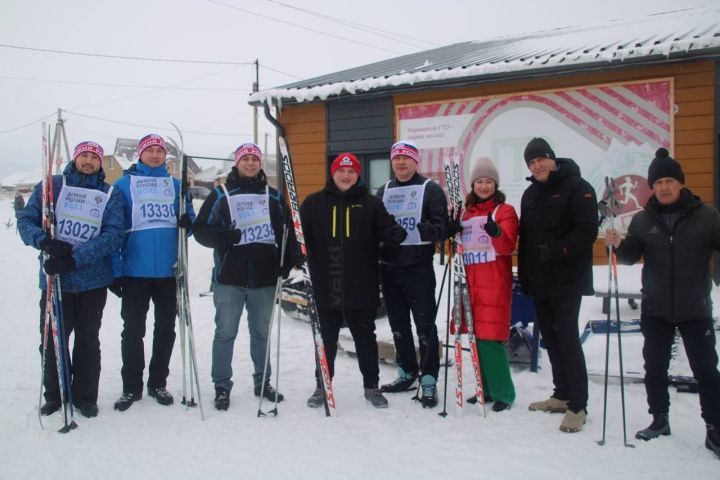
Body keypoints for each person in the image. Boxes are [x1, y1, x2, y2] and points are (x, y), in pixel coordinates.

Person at [605, 148, 720, 457]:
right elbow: (630, 256)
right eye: (658, 183)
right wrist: (617, 246)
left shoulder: (707, 217)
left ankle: (715, 428)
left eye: (669, 181)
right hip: (656, 308)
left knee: (707, 371)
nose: (664, 187)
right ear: (651, 187)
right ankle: (659, 419)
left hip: (695, 308)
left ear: (680, 183)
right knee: (654, 368)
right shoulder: (643, 221)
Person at [17, 141, 124, 418]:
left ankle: (85, 396)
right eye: (84, 156)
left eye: (94, 157)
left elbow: (113, 235)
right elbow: (26, 220)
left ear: (101, 163)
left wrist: (75, 259)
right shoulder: (52, 185)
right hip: (56, 280)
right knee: (52, 340)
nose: (88, 161)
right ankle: (55, 393)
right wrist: (45, 242)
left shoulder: (109, 193)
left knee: (88, 340)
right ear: (75, 159)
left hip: (92, 281)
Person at [194, 142, 298, 411]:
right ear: (237, 163)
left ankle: (263, 381)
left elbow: (287, 233)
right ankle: (221, 385)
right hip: (230, 277)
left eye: (255, 159)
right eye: (245, 159)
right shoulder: (221, 194)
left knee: (261, 333)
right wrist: (224, 237)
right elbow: (201, 231)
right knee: (225, 332)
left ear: (260, 163)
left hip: (264, 278)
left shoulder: (273, 196)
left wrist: (286, 263)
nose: (251, 163)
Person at [300, 153, 407, 409]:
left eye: (351, 171)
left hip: (362, 281)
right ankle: (322, 385)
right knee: (325, 337)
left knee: (365, 337)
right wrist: (295, 253)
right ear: (333, 172)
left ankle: (371, 386)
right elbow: (300, 236)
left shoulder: (371, 204)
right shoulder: (313, 203)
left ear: (357, 175)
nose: (346, 176)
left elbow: (386, 227)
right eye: (341, 171)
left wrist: (394, 233)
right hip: (327, 281)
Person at [518, 137, 598, 433]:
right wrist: (524, 275)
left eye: (541, 159)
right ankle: (561, 394)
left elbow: (587, 231)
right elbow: (525, 240)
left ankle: (578, 404)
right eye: (531, 162)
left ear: (553, 159)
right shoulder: (530, 194)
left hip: (568, 279)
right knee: (550, 339)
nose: (537, 165)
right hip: (540, 281)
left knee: (566, 338)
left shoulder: (578, 187)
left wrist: (557, 249)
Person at [111, 133, 195, 411]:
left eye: (160, 151)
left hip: (169, 272)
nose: (156, 155)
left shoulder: (176, 185)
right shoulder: (124, 185)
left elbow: (190, 223)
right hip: (135, 270)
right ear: (140, 154)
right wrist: (116, 269)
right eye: (151, 151)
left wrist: (188, 221)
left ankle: (158, 382)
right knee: (133, 330)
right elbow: (113, 229)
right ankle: (131, 386)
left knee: (166, 329)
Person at [376, 140, 449, 408]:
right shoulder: (384, 190)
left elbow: (443, 226)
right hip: (389, 267)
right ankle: (406, 372)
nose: (401, 162)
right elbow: (376, 225)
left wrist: (434, 231)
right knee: (398, 325)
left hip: (418, 268)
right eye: (397, 158)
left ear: (416, 161)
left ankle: (428, 379)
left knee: (425, 325)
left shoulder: (430, 189)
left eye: (407, 158)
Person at [456, 157, 518, 412]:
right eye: (479, 181)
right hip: (470, 282)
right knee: (475, 338)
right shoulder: (466, 212)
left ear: (496, 185)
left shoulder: (505, 211)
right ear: (473, 184)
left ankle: (504, 392)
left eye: (489, 181)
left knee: (490, 339)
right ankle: (486, 389)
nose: (484, 186)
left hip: (492, 281)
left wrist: (496, 233)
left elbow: (508, 246)